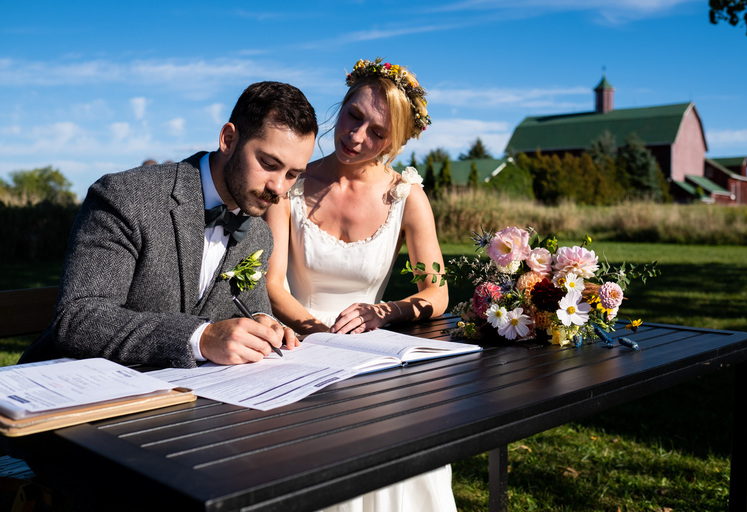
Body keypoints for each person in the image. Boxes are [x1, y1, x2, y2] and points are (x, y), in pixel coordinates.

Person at [19, 81, 317, 369]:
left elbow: (250, 309)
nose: (279, 187)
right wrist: (200, 338)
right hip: (68, 393)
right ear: (228, 139)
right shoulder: (125, 196)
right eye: (268, 163)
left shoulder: (258, 231)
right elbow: (79, 319)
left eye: (293, 174)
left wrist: (265, 324)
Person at [265, 59, 454, 512]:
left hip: (372, 352)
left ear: (397, 141)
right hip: (296, 346)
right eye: (353, 116)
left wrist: (384, 312)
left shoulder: (406, 195)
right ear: (342, 104)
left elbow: (438, 292)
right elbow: (272, 284)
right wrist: (315, 330)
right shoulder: (292, 182)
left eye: (377, 132)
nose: (356, 136)